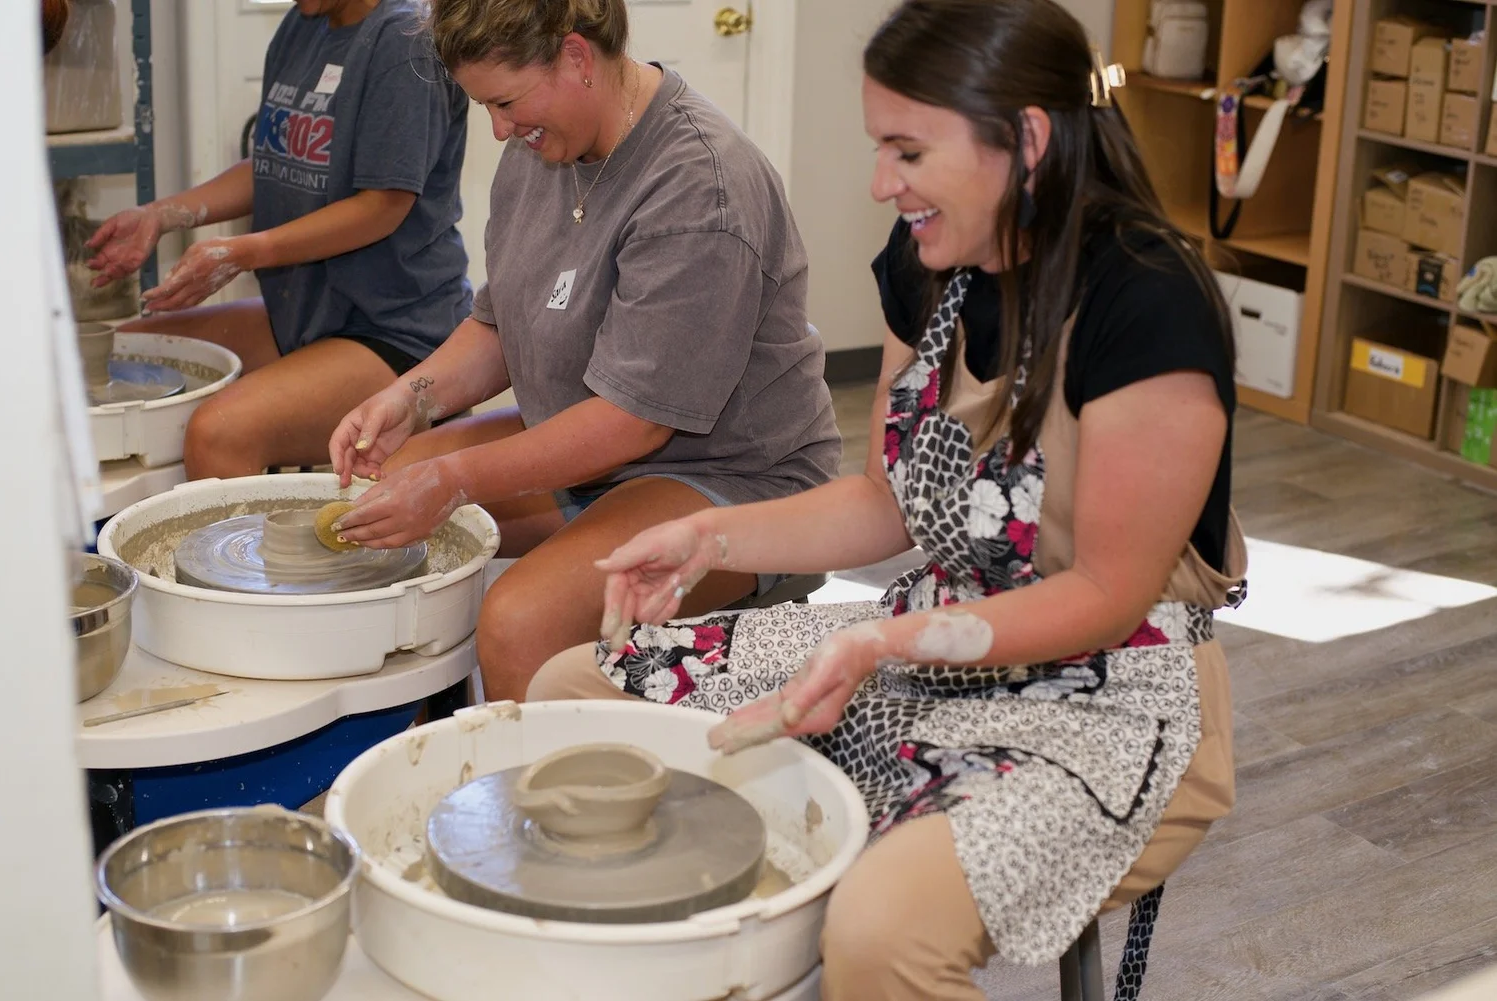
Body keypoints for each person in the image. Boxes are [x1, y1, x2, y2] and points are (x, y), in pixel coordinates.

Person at [526, 0, 1249, 997]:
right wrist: (703, 532)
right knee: (575, 690)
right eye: (879, 149)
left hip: (1114, 698)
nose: (880, 184)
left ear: (1027, 140)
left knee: (879, 925)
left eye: (907, 151)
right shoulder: (932, 265)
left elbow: (1108, 596)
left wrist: (877, 644)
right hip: (934, 644)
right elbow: (889, 499)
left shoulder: (1145, 304)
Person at [326, 0, 841, 703]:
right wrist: (408, 400)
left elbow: (633, 422)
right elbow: (500, 326)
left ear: (575, 57)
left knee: (517, 622)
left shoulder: (698, 185)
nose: (500, 129)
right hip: (601, 448)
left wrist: (455, 478)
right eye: (485, 106)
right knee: (387, 493)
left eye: (505, 102)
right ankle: (447, 733)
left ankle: (536, 799)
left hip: (735, 476)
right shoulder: (540, 150)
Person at [84, 0, 471, 480]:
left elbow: (382, 207)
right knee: (118, 352)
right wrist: (160, 215)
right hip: (308, 314)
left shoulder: (404, 41)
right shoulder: (302, 24)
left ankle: (242, 552)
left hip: (397, 331)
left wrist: (243, 253)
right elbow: (272, 165)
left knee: (217, 433)